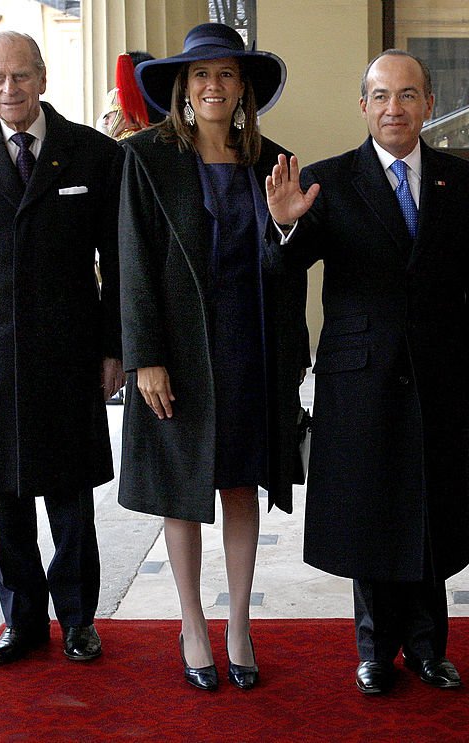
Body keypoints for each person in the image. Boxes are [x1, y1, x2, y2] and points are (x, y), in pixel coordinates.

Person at [265, 49, 469, 695]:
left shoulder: (463, 179)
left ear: (429, 105)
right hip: (359, 373)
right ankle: (374, 649)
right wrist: (284, 227)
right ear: (363, 105)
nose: (393, 108)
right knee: (370, 509)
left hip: (439, 371)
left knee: (430, 504)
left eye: (407, 95)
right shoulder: (327, 180)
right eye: (380, 95)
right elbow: (284, 272)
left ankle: (429, 647)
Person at [0, 31, 123, 664]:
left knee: (70, 497)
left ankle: (79, 620)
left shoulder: (92, 154)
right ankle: (23, 622)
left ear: (43, 78)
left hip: (70, 349)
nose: (10, 89)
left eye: (22, 76)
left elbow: (116, 263)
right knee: (2, 498)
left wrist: (115, 346)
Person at [118, 23, 306, 692]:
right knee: (182, 489)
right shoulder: (146, 158)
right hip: (180, 353)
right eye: (201, 75)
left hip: (252, 344)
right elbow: (132, 263)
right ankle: (193, 621)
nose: (214, 85)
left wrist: (286, 225)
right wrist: (144, 357)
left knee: (240, 483)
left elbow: (287, 266)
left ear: (243, 88)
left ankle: (240, 625)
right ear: (184, 88)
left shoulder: (274, 160)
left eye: (226, 74)